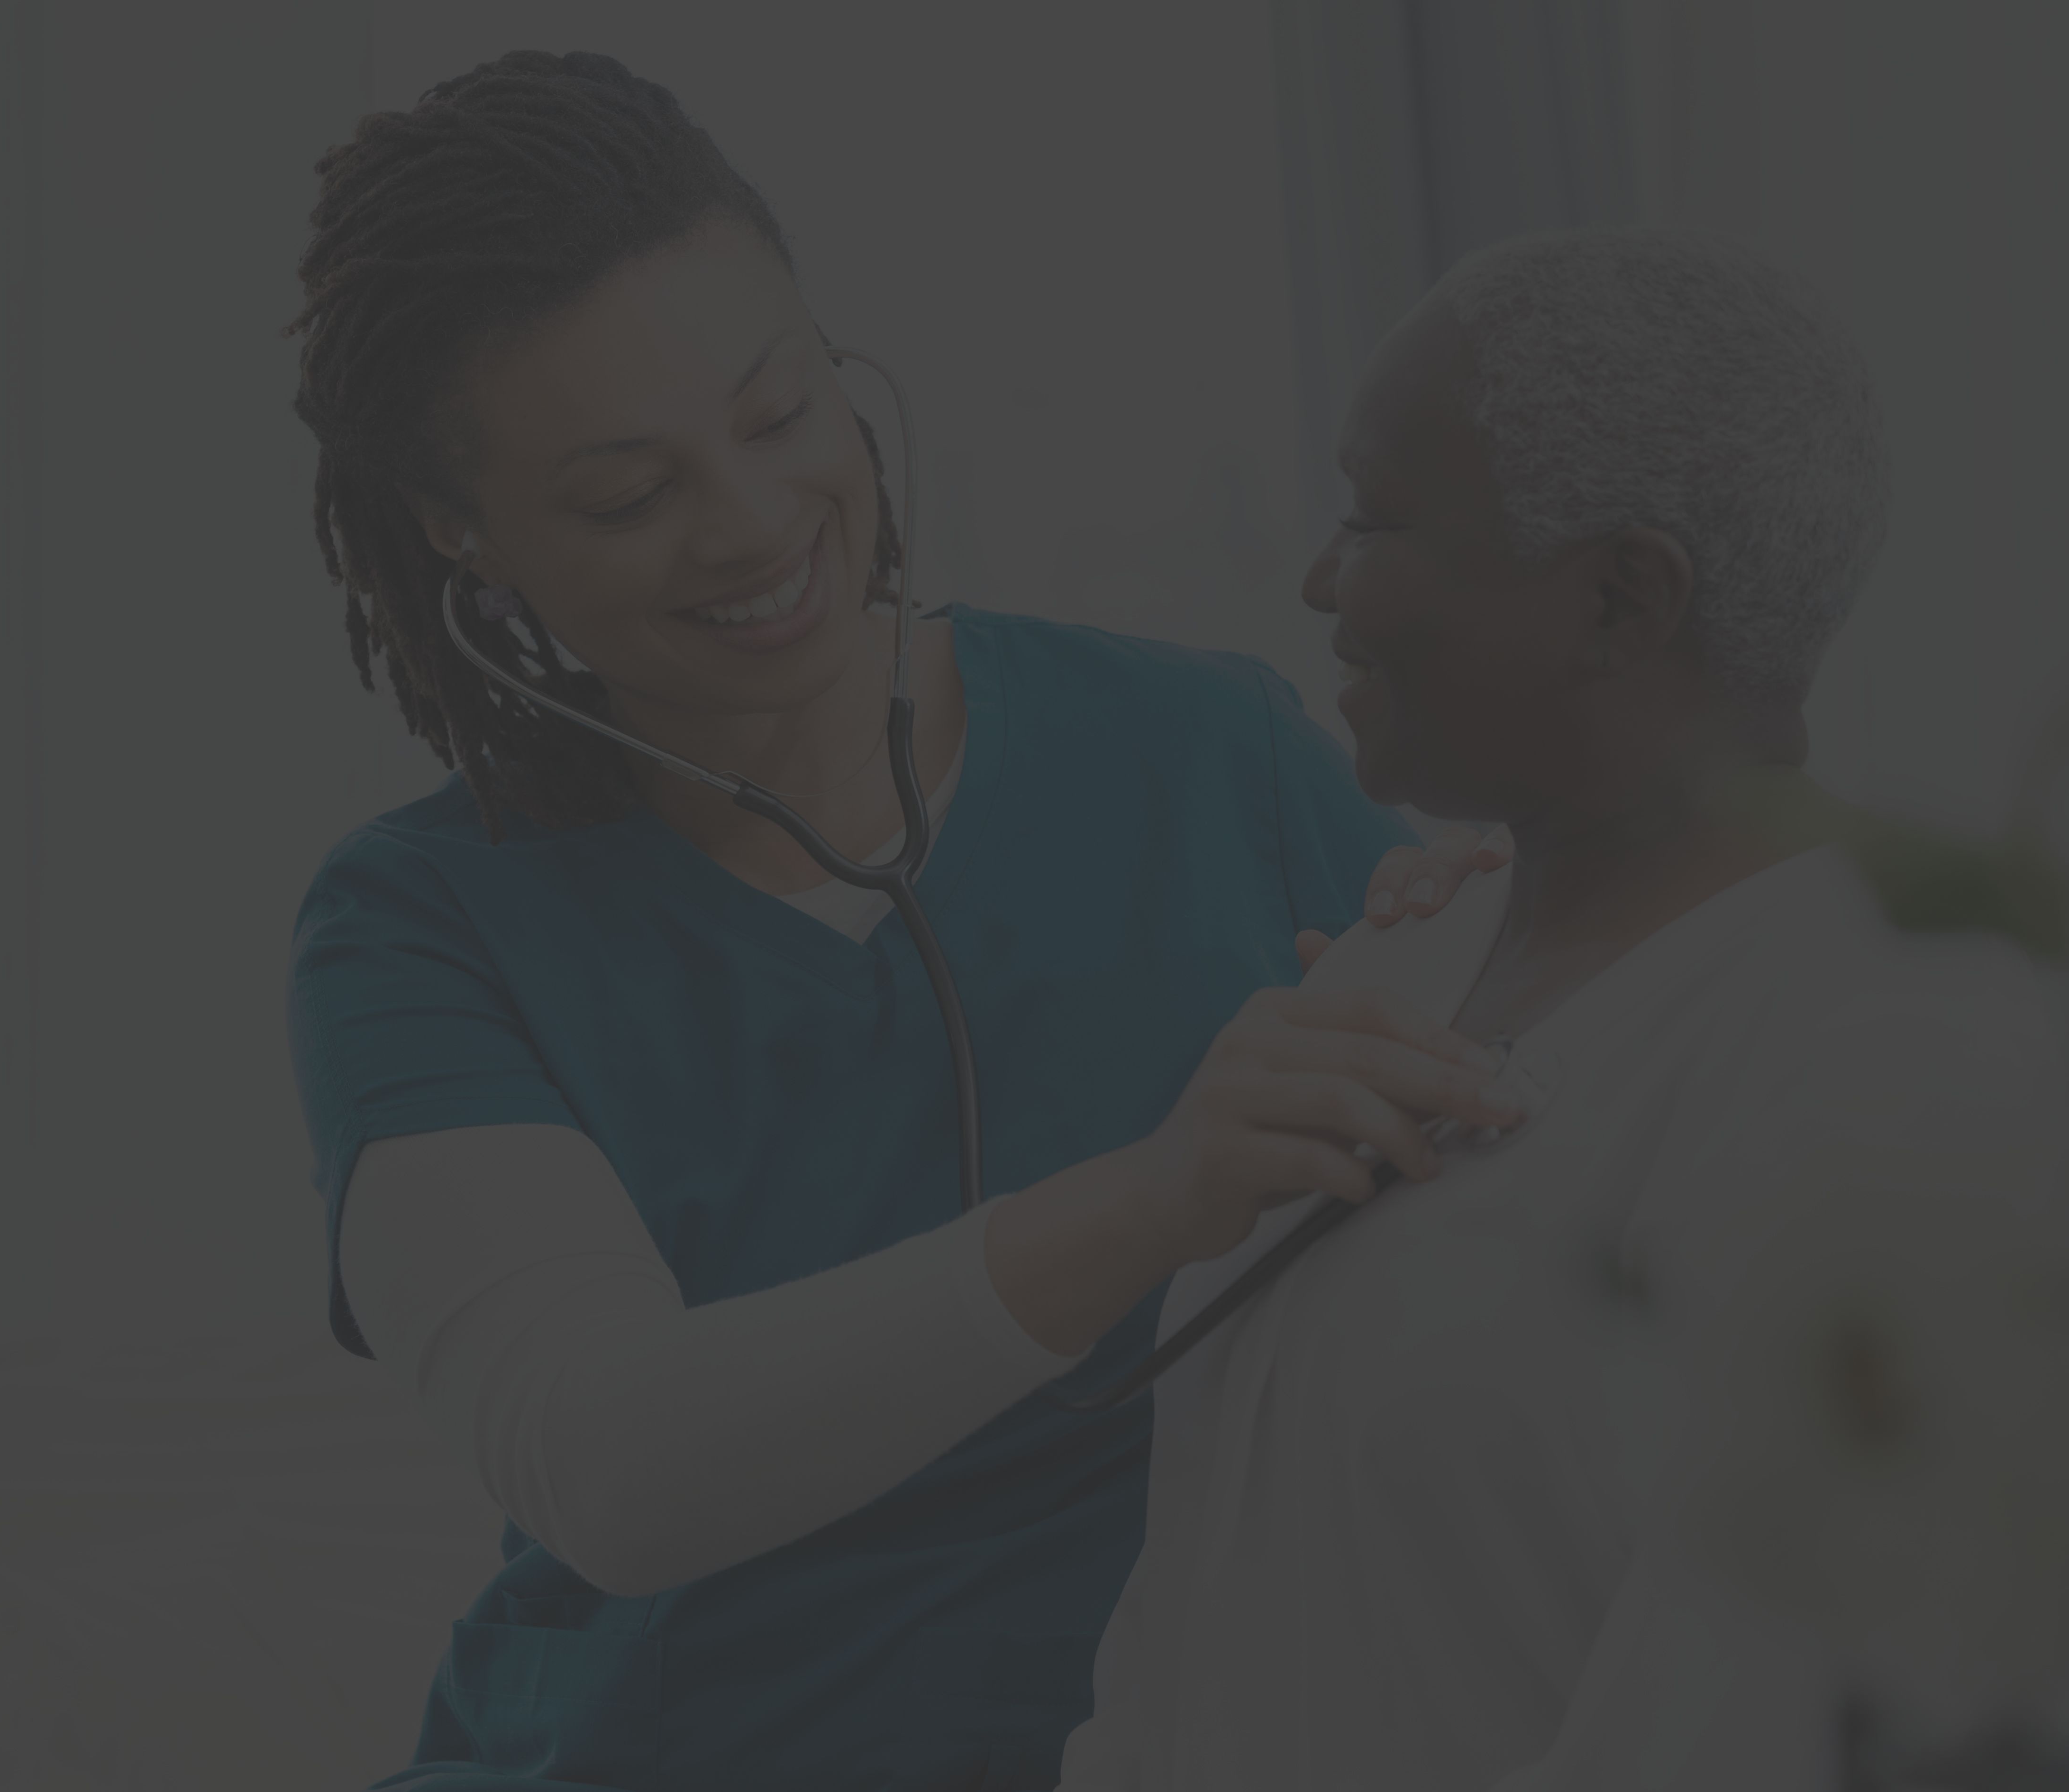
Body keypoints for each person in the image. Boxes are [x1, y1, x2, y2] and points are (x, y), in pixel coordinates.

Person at [283, 51, 1508, 1792]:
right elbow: (611, 1470)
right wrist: (1158, 1190)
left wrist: (1514, 963)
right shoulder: (416, 928)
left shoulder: (1210, 755)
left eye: (782, 413)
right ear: (462, 532)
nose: (758, 522)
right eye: (630, 495)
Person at [1055, 228, 2069, 1790]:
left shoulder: (1869, 1067)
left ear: (1619, 597)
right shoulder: (1385, 968)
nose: (1323, 579)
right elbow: (1203, 1591)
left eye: (1377, 517)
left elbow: (1722, 1731)